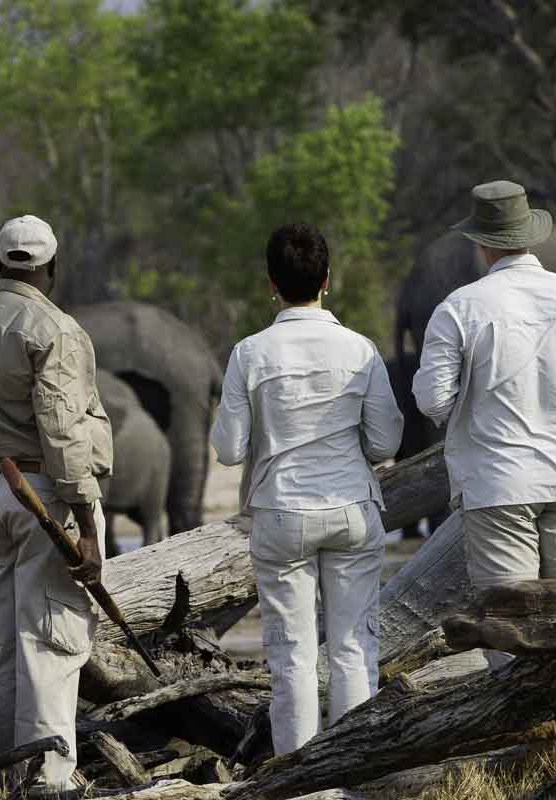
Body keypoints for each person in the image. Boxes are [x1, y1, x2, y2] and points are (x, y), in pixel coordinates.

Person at [210, 223, 403, 755]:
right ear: (328, 280)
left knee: (290, 653)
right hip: (352, 511)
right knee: (353, 646)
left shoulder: (250, 353)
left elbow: (228, 449)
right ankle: (352, 768)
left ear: (272, 284)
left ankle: (298, 776)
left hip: (280, 514)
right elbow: (387, 440)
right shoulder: (360, 349)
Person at [413, 181, 556, 616]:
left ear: (482, 244)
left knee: (512, 625)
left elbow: (432, 402)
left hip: (497, 484)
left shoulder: (458, 307)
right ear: (533, 236)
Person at [0, 214, 112, 794]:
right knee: (52, 642)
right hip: (46, 497)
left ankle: (10, 771)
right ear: (52, 269)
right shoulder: (54, 328)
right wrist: (87, 524)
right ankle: (50, 781)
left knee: (8, 646)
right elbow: (63, 431)